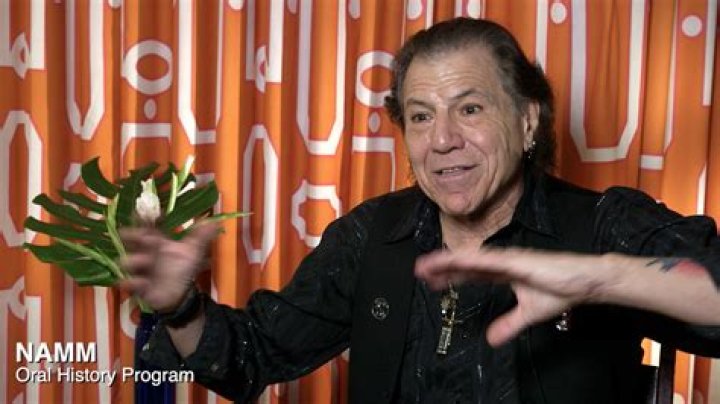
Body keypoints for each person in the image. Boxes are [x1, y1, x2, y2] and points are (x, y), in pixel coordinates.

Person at [120, 17, 720, 403]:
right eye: (421, 116)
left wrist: (603, 277)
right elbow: (252, 355)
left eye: (470, 109)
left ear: (527, 120)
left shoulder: (603, 224)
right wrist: (180, 307)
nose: (442, 140)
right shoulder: (370, 235)